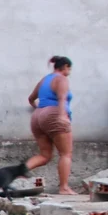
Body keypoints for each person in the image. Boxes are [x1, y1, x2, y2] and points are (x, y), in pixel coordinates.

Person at [26, 56, 76, 195]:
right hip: (54, 114)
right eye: (69, 68)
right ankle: (64, 187)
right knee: (66, 153)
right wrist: (61, 116)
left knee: (45, 155)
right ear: (65, 66)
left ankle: (18, 173)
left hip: (37, 116)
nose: (70, 72)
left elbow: (31, 99)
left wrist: (39, 109)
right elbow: (62, 98)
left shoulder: (45, 79)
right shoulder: (62, 79)